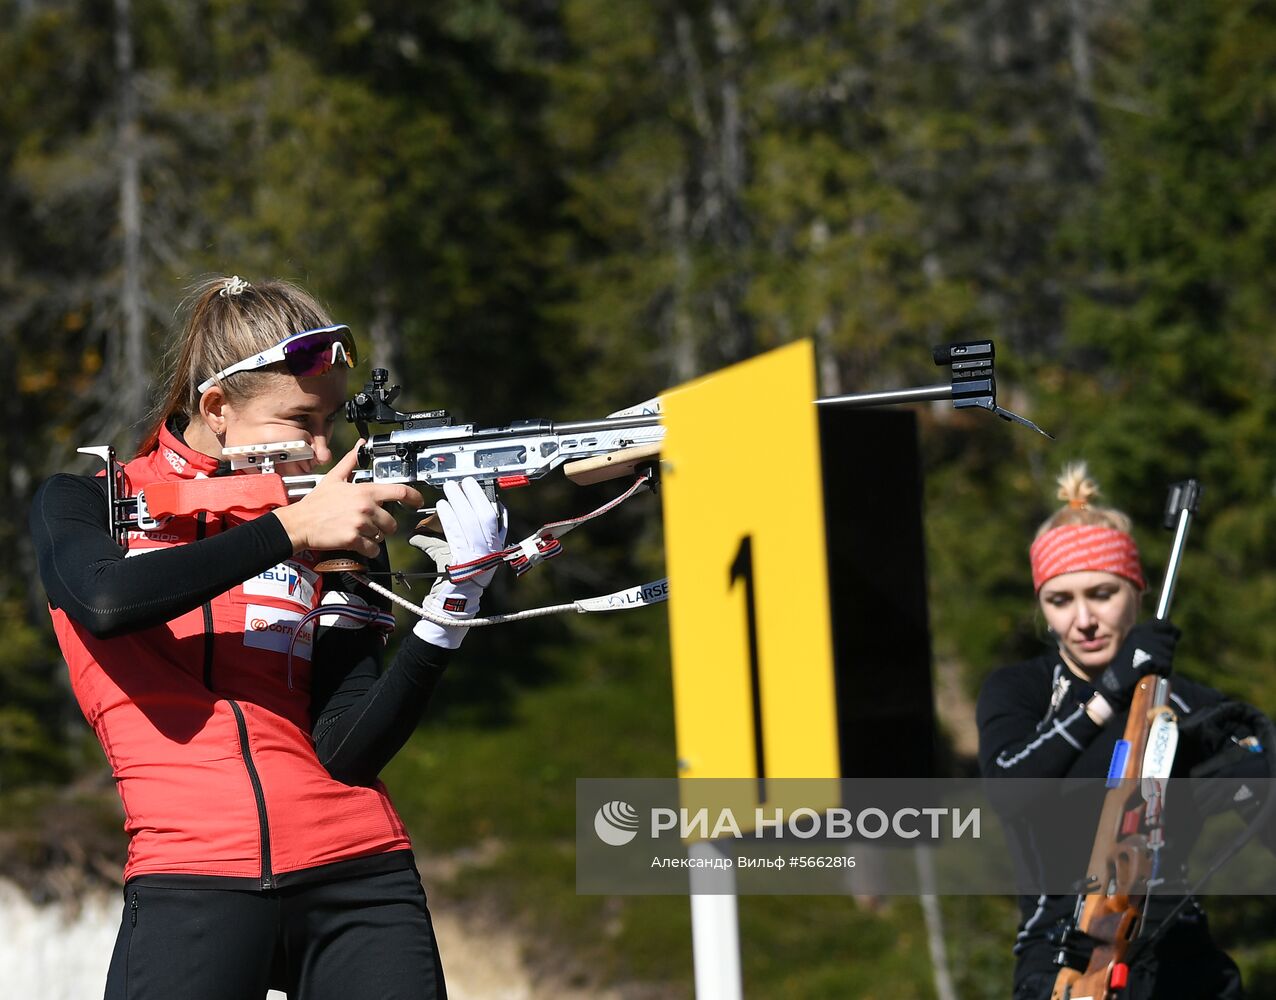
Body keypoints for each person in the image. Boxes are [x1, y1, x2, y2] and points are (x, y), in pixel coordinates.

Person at [30, 275, 505, 1000]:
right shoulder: (88, 501)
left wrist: (451, 604)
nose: (321, 450)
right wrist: (287, 529)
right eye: (298, 422)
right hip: (191, 880)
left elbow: (348, 748)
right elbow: (104, 601)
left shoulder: (335, 524)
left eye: (331, 423)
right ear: (217, 408)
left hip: (359, 871)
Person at [976, 462, 1272, 1000]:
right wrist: (1108, 692)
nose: (1083, 620)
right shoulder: (1020, 690)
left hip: (1180, 953)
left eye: (1102, 593)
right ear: (1043, 610)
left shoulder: (1185, 702)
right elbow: (1008, 789)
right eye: (1060, 601)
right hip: (1067, 958)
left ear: (1137, 592)